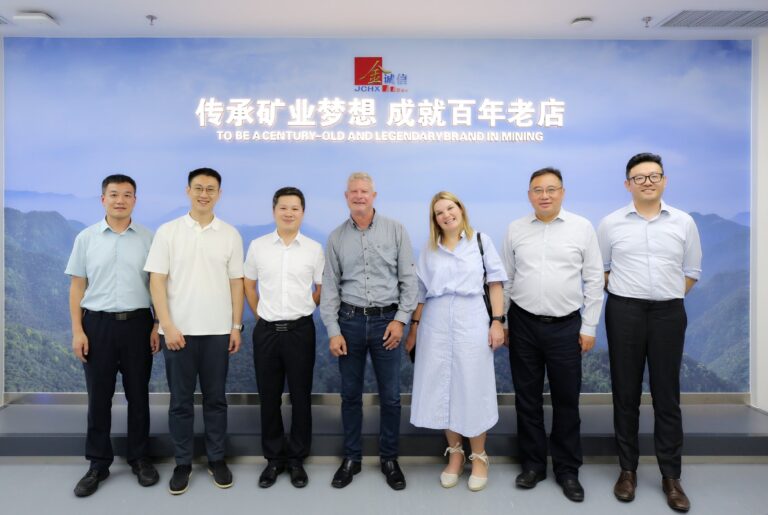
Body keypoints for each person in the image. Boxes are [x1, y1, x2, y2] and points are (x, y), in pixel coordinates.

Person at [597, 153, 701, 513]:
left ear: (664, 181)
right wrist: (630, 296)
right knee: (625, 394)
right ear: (628, 184)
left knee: (666, 395)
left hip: (668, 313)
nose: (647, 182)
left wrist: (665, 297)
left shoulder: (684, 222)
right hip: (623, 311)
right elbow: (602, 270)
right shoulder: (610, 223)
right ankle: (627, 471)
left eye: (654, 176)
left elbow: (691, 272)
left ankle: (671, 477)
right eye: (639, 177)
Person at [502, 167, 604, 502]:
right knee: (527, 398)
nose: (544, 195)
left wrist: (589, 326)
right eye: (537, 190)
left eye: (551, 189)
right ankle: (532, 465)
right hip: (523, 323)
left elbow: (594, 280)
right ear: (529, 195)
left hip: (566, 326)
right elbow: (507, 280)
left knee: (566, 400)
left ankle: (567, 470)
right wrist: (503, 322)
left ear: (562, 192)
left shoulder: (582, 228)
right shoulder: (515, 229)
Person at [144, 167, 244, 495]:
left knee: (216, 400)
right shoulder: (168, 232)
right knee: (180, 402)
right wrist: (167, 326)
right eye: (198, 188)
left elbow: (236, 283)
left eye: (210, 189)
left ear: (219, 194)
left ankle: (216, 459)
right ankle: (183, 463)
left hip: (217, 332)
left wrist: (235, 326)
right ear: (188, 191)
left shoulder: (230, 234)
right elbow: (156, 281)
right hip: (178, 333)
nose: (204, 194)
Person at [320, 172, 418, 490]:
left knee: (391, 397)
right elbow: (330, 288)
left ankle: (390, 459)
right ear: (346, 196)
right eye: (354, 191)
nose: (359, 196)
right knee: (350, 396)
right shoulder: (336, 238)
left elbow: (409, 281)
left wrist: (400, 320)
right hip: (348, 322)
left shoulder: (396, 230)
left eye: (364, 191)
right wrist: (333, 330)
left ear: (374, 195)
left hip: (387, 322)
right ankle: (352, 458)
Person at [405, 191, 507, 492]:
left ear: (461, 209)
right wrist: (414, 329)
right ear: (434, 219)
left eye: (450, 208)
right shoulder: (429, 250)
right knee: (443, 387)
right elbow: (421, 293)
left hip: (471, 317)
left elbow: (495, 284)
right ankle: (455, 454)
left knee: (472, 386)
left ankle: (479, 456)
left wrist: (497, 321)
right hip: (435, 322)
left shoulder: (480, 241)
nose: (446, 215)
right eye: (439, 212)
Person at [66, 174, 160, 497]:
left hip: (138, 325)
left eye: (127, 194)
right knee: (98, 398)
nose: (120, 200)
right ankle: (98, 464)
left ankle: (140, 458)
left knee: (139, 396)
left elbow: (157, 286)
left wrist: (156, 324)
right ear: (103, 199)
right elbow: (77, 287)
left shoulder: (148, 239)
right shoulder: (86, 238)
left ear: (135, 200)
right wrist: (78, 330)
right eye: (114, 194)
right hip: (97, 326)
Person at [243, 187, 324, 489]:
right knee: (269, 398)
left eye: (295, 208)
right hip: (266, 331)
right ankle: (274, 459)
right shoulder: (258, 246)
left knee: (301, 397)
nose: (289, 213)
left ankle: (297, 459)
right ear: (274, 210)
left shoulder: (314, 249)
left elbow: (321, 288)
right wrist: (260, 315)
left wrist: (303, 309)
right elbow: (249, 285)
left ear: (303, 212)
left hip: (300, 330)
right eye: (283, 208)